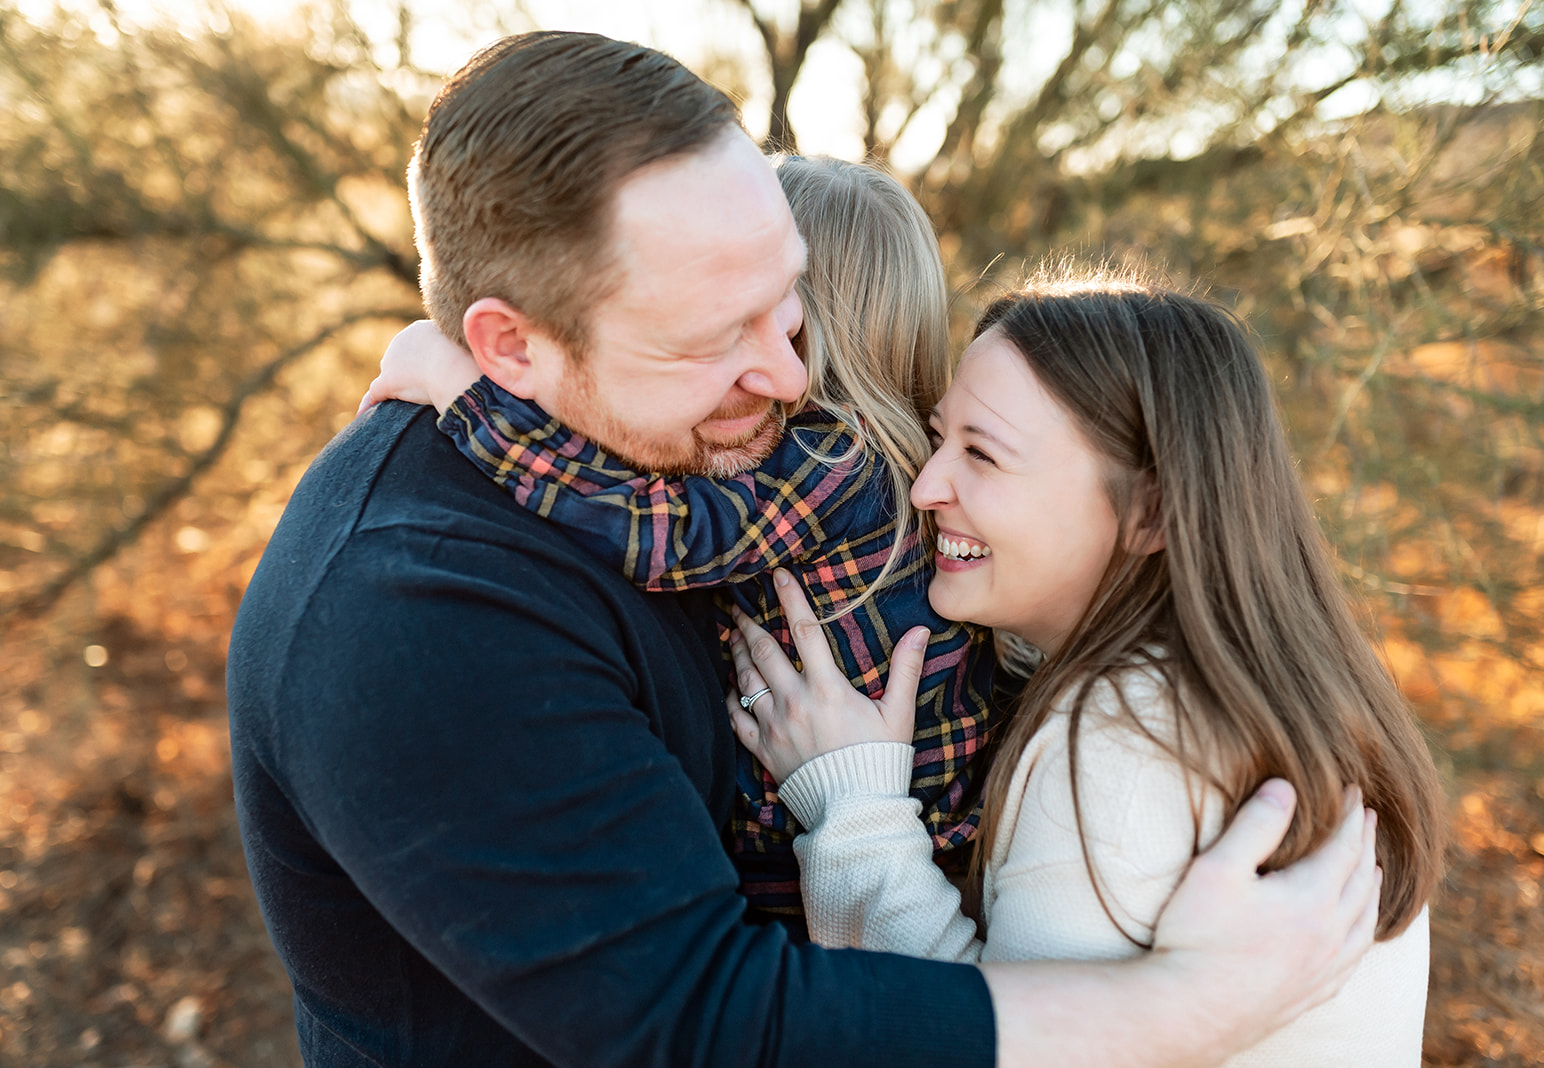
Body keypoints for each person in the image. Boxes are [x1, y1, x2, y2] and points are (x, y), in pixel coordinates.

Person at [228, 31, 1380, 1068]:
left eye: (789, 305)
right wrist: (1195, 1008)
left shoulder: (709, 453)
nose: (788, 377)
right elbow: (706, 1028)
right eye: (715, 338)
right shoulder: (418, 609)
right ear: (509, 349)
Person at [727, 270, 1445, 1066]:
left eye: (984, 455)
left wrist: (852, 807)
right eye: (938, 440)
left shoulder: (1129, 736)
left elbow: (1010, 1048)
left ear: (1150, 511)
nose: (927, 487)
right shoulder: (1270, 690)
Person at [356, 155, 1001, 930]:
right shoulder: (878, 458)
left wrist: (463, 389)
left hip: (825, 869)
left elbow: (653, 534)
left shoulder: (840, 461)